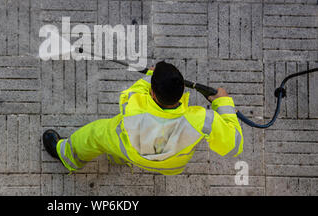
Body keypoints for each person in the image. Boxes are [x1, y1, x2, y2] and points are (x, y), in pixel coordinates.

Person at [43, 61, 243, 175]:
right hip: (171, 165)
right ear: (183, 92)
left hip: (133, 151)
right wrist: (223, 103)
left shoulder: (133, 104)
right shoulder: (202, 120)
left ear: (153, 94)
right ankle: (118, 159)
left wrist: (150, 76)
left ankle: (67, 155)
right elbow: (234, 145)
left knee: (96, 133)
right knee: (117, 138)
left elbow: (138, 88)